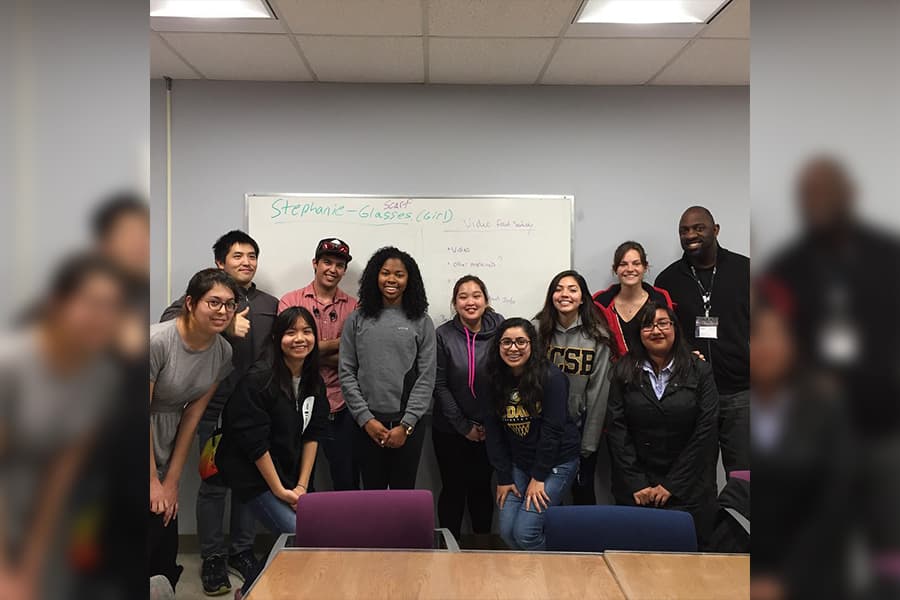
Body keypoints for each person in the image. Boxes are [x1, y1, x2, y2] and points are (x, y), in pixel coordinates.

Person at [0, 254, 128, 599]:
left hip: (43, 521)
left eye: (112, 307)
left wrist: (31, 563)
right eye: (93, 303)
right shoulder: (10, 363)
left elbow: (63, 474)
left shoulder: (101, 376)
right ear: (57, 304)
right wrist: (4, 569)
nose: (103, 317)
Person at [160, 230, 276, 595]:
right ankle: (212, 556)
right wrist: (226, 325)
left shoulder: (270, 304)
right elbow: (172, 325)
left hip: (256, 413)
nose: (246, 262)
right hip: (212, 410)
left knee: (250, 484)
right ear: (220, 262)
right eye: (237, 256)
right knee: (213, 484)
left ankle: (242, 551)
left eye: (251, 256)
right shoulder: (203, 297)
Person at [216, 306, 329, 595]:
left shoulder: (313, 381)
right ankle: (252, 593)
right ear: (277, 338)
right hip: (252, 472)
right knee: (298, 531)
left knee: (305, 533)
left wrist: (302, 486)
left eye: (307, 332)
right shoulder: (259, 379)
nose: (300, 339)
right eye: (291, 332)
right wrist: (279, 490)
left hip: (288, 472)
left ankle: (254, 590)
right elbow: (256, 444)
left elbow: (313, 435)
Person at [149, 269, 237, 591]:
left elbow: (192, 416)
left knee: (163, 533)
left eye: (230, 304)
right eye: (214, 302)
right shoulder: (157, 342)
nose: (223, 311)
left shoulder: (222, 352)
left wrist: (171, 482)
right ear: (190, 302)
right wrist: (152, 482)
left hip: (165, 437)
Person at [605, 302, 719, 549]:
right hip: (637, 491)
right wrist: (637, 483)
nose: (656, 330)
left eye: (663, 323)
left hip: (689, 489)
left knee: (689, 562)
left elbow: (706, 432)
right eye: (647, 325)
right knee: (636, 560)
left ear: (675, 328)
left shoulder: (699, 370)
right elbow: (617, 429)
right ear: (639, 333)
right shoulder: (623, 370)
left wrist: (671, 485)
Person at [654, 206, 750, 475]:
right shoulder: (668, 279)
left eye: (698, 228)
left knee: (744, 474)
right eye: (684, 230)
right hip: (691, 391)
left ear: (715, 230)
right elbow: (663, 333)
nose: (690, 235)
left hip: (740, 391)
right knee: (695, 475)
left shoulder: (745, 270)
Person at [339, 246, 436, 490]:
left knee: (403, 495)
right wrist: (366, 419)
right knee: (373, 495)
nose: (391, 279)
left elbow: (426, 377)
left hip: (408, 425)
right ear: (375, 276)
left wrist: (407, 424)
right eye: (385, 273)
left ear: (409, 280)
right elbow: (346, 372)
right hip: (367, 425)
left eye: (399, 274)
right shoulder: (356, 320)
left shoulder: (422, 322)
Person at [484, 318, 580, 551]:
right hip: (520, 462)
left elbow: (552, 431)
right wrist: (504, 478)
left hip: (555, 462)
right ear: (498, 346)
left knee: (525, 533)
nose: (513, 348)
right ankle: (530, 573)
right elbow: (493, 432)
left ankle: (558, 569)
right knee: (507, 532)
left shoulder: (552, 378)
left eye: (520, 342)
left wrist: (538, 477)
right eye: (506, 342)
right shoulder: (492, 378)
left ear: (532, 345)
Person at [278, 238, 359, 491]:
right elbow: (286, 351)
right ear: (315, 263)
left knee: (346, 480)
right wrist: (339, 343)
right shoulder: (290, 301)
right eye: (327, 262)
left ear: (344, 270)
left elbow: (356, 357)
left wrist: (309, 351)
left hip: (342, 404)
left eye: (339, 265)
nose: (332, 269)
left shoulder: (355, 307)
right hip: (297, 402)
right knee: (300, 483)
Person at [432, 275, 503, 545]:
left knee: (481, 489)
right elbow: (439, 385)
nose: (470, 302)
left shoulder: (502, 331)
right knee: (453, 490)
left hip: (490, 429)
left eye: (476, 295)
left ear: (486, 300)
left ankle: (481, 550)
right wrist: (464, 426)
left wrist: (487, 424)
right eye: (463, 297)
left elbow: (506, 380)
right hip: (449, 429)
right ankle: (448, 550)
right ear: (455, 302)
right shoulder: (443, 335)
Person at [533, 270, 613, 505]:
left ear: (583, 298)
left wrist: (588, 444)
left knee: (583, 494)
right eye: (558, 289)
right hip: (542, 431)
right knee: (543, 497)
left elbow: (599, 393)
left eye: (572, 289)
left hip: (579, 431)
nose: (564, 294)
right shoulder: (535, 330)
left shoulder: (597, 336)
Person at [593, 241, 674, 357]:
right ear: (615, 269)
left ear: (645, 267)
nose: (630, 269)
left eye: (636, 263)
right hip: (611, 368)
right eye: (623, 264)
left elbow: (670, 337)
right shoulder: (600, 303)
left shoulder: (661, 299)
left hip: (651, 367)